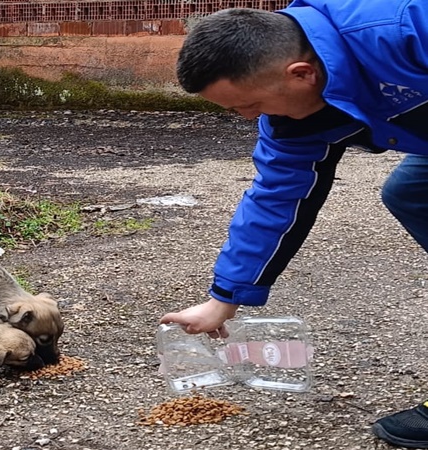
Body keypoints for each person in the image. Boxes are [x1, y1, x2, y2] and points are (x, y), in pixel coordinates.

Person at [160, 2, 428, 448]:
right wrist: (223, 299)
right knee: (411, 192)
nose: (249, 117)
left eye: (251, 104)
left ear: (301, 73)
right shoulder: (290, 119)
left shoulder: (403, 30)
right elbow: (276, 198)